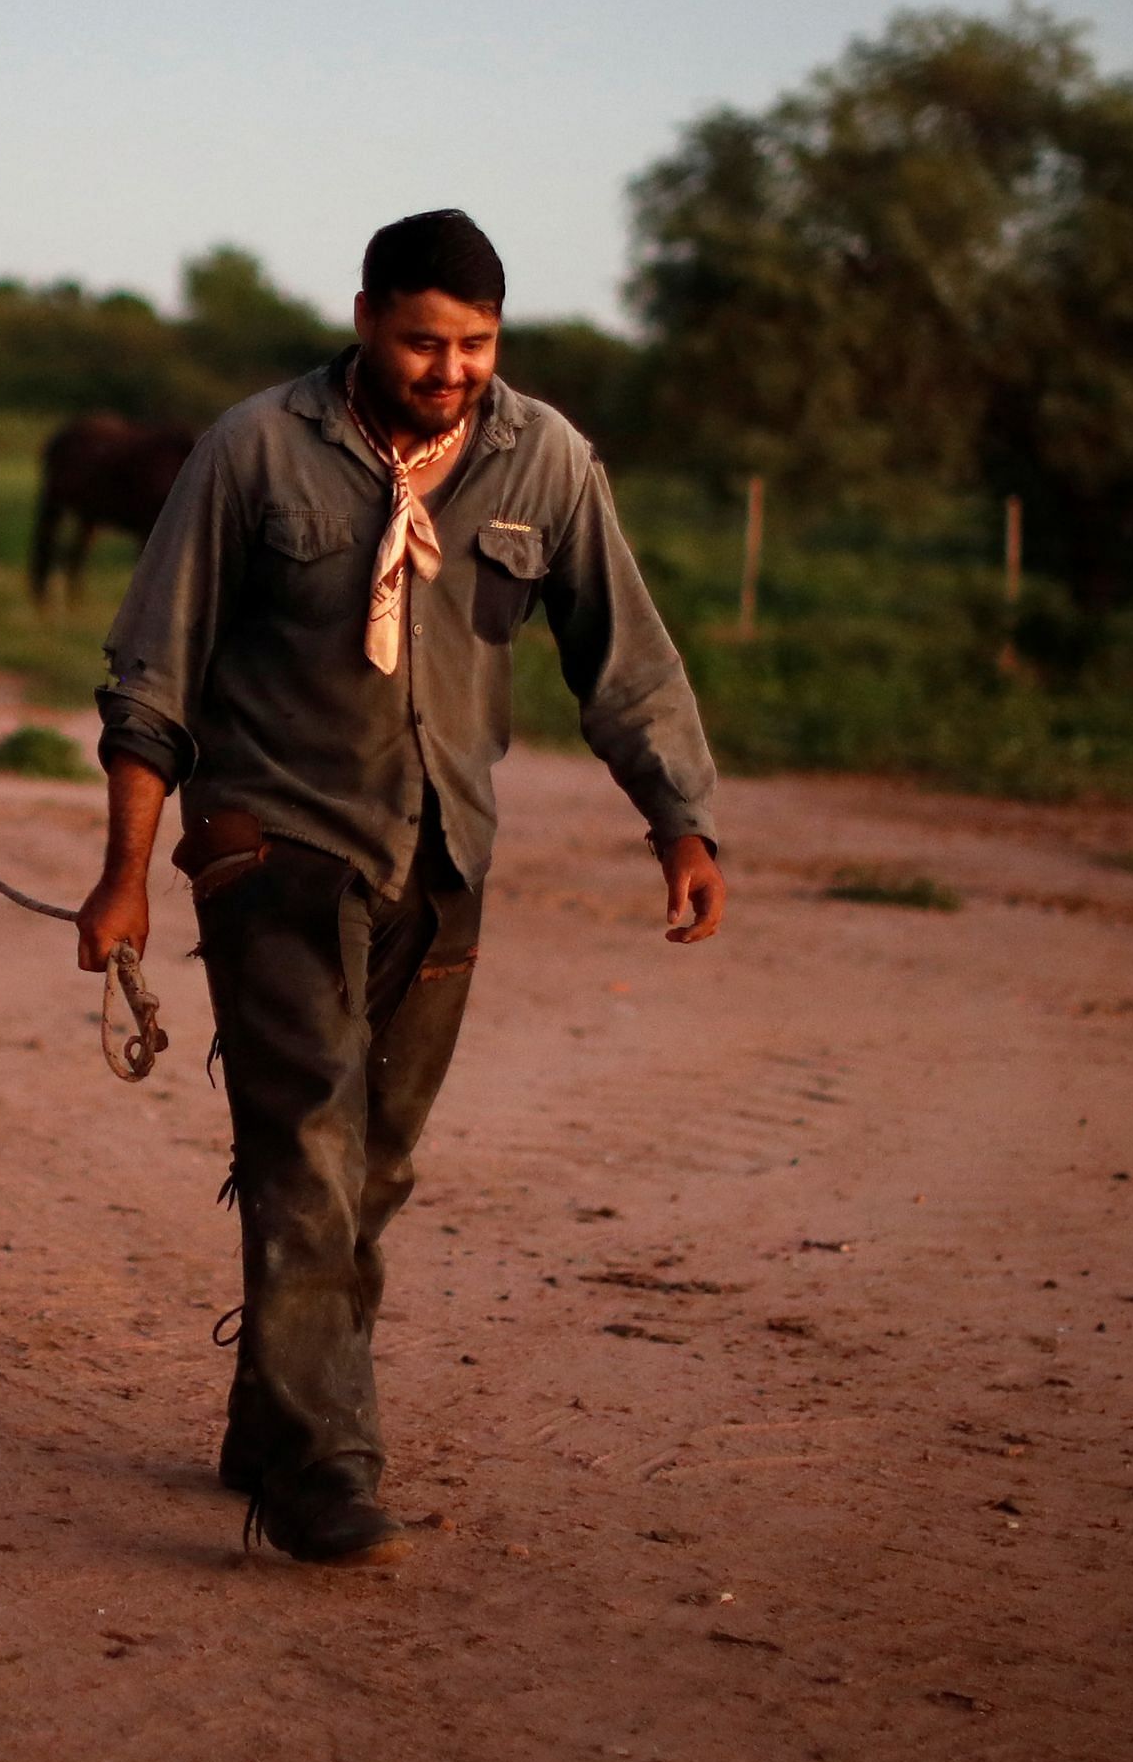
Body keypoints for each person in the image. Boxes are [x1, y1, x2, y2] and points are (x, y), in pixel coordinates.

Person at [77, 209, 725, 1566]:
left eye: (477, 344)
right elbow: (153, 675)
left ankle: (272, 1413)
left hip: (444, 855)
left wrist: (680, 819)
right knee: (308, 1139)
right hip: (274, 845)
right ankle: (325, 1467)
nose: (450, 369)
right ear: (368, 317)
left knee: (373, 1164)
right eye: (425, 340)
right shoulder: (256, 449)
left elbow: (624, 652)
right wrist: (122, 875)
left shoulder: (543, 460)